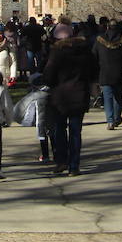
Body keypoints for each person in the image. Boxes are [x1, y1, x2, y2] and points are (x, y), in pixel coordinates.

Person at [42, 17, 95, 176]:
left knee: (59, 130)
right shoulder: (84, 51)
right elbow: (93, 70)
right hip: (79, 94)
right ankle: (74, 165)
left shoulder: (57, 53)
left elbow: (49, 76)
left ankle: (62, 160)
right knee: (75, 132)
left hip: (60, 96)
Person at [93, 18, 122, 129]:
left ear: (107, 27)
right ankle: (117, 118)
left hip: (104, 72)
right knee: (118, 97)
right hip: (119, 72)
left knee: (107, 98)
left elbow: (94, 56)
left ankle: (110, 120)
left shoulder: (99, 40)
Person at [12, 72, 53, 163]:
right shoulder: (51, 92)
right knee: (52, 134)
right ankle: (57, 154)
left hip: (43, 124)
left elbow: (40, 117)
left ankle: (46, 155)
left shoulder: (38, 96)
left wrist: (40, 130)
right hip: (52, 122)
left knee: (44, 135)